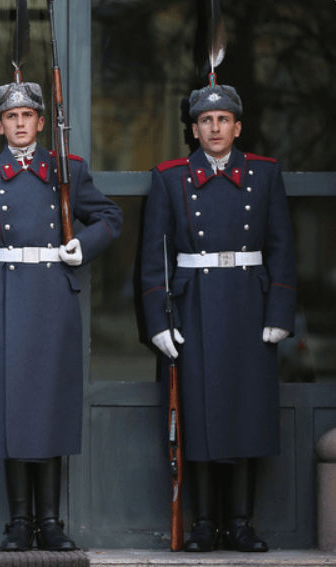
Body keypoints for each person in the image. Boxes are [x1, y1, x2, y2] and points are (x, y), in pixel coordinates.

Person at [0, 80, 122, 551]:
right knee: (10, 411)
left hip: (52, 296)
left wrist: (80, 247)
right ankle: (19, 522)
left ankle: (50, 521)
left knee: (50, 408)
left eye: (28, 116)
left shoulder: (67, 169)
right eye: (11, 117)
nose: (20, 123)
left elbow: (110, 217)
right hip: (2, 297)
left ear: (42, 123)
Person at [139, 84, 295, 553]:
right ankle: (205, 523)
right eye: (206, 121)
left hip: (250, 303)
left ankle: (241, 523)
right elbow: (153, 255)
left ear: (237, 127)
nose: (215, 128)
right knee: (199, 415)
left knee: (247, 414)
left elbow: (282, 247)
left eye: (223, 120)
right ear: (193, 129)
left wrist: (280, 310)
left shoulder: (265, 174)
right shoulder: (170, 177)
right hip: (195, 306)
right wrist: (157, 320)